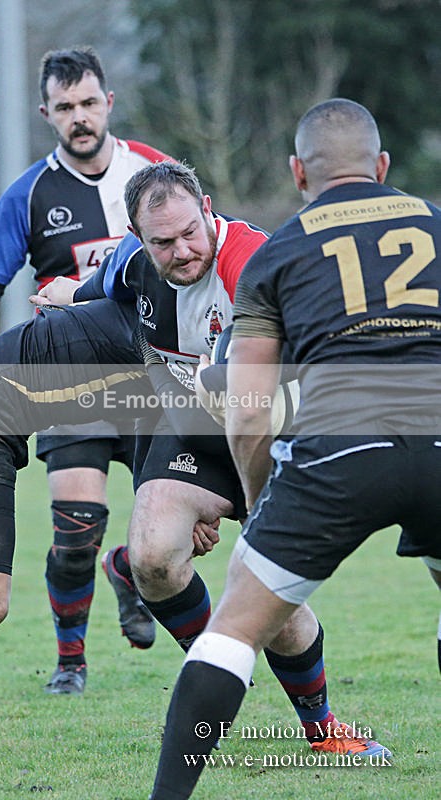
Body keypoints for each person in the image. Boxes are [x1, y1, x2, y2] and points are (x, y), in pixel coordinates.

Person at [31, 161, 390, 759]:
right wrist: (62, 297)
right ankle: (220, 666)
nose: (181, 250)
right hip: (190, 430)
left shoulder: (253, 265)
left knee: (275, 600)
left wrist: (241, 500)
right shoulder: (131, 261)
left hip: (269, 436)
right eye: (162, 242)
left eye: (190, 232)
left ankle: (324, 730)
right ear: (140, 239)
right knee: (151, 557)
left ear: (206, 208)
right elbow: (91, 294)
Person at [149, 100, 441, 800]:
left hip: (339, 449)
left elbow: (248, 408)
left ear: (296, 174)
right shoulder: (435, 223)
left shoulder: (276, 253)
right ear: (380, 168)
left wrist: (258, 502)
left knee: (234, 631)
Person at [0, 46, 173, 694]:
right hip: (71, 379)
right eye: (65, 108)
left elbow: (198, 250)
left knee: (176, 531)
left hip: (152, 377)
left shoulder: (154, 173)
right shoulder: (29, 193)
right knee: (74, 528)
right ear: (46, 113)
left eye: (88, 103)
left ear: (107, 102)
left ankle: (129, 568)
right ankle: (70, 665)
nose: (79, 117)